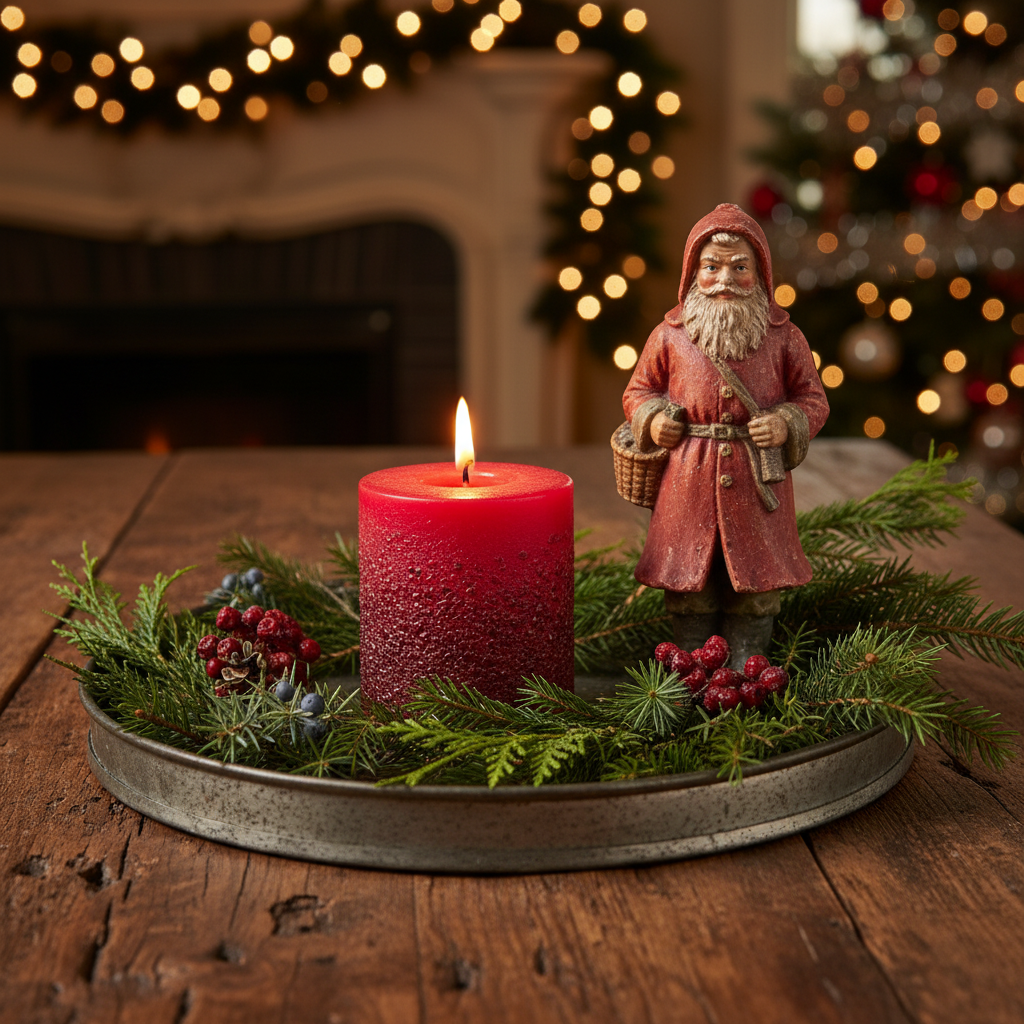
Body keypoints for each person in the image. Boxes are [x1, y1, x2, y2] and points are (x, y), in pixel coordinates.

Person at [622, 203, 829, 666]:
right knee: (688, 581)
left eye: (740, 267)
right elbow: (638, 391)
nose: (725, 279)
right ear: (693, 273)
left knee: (754, 583)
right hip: (687, 477)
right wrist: (653, 419)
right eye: (712, 267)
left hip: (757, 481)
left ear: (761, 274)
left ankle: (748, 666)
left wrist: (785, 422)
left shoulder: (784, 337)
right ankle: (691, 666)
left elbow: (813, 399)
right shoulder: (670, 335)